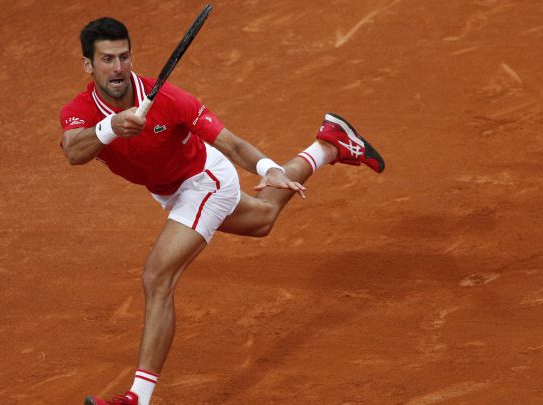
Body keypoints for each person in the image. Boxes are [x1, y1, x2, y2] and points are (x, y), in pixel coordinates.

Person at [59, 16, 385, 405]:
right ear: (88, 65)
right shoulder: (80, 110)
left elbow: (232, 145)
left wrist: (269, 169)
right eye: (107, 59)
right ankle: (328, 145)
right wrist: (113, 126)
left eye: (124, 57)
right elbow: (74, 151)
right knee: (263, 218)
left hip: (203, 182)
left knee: (157, 277)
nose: (118, 68)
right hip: (170, 191)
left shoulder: (168, 98)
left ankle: (137, 400)